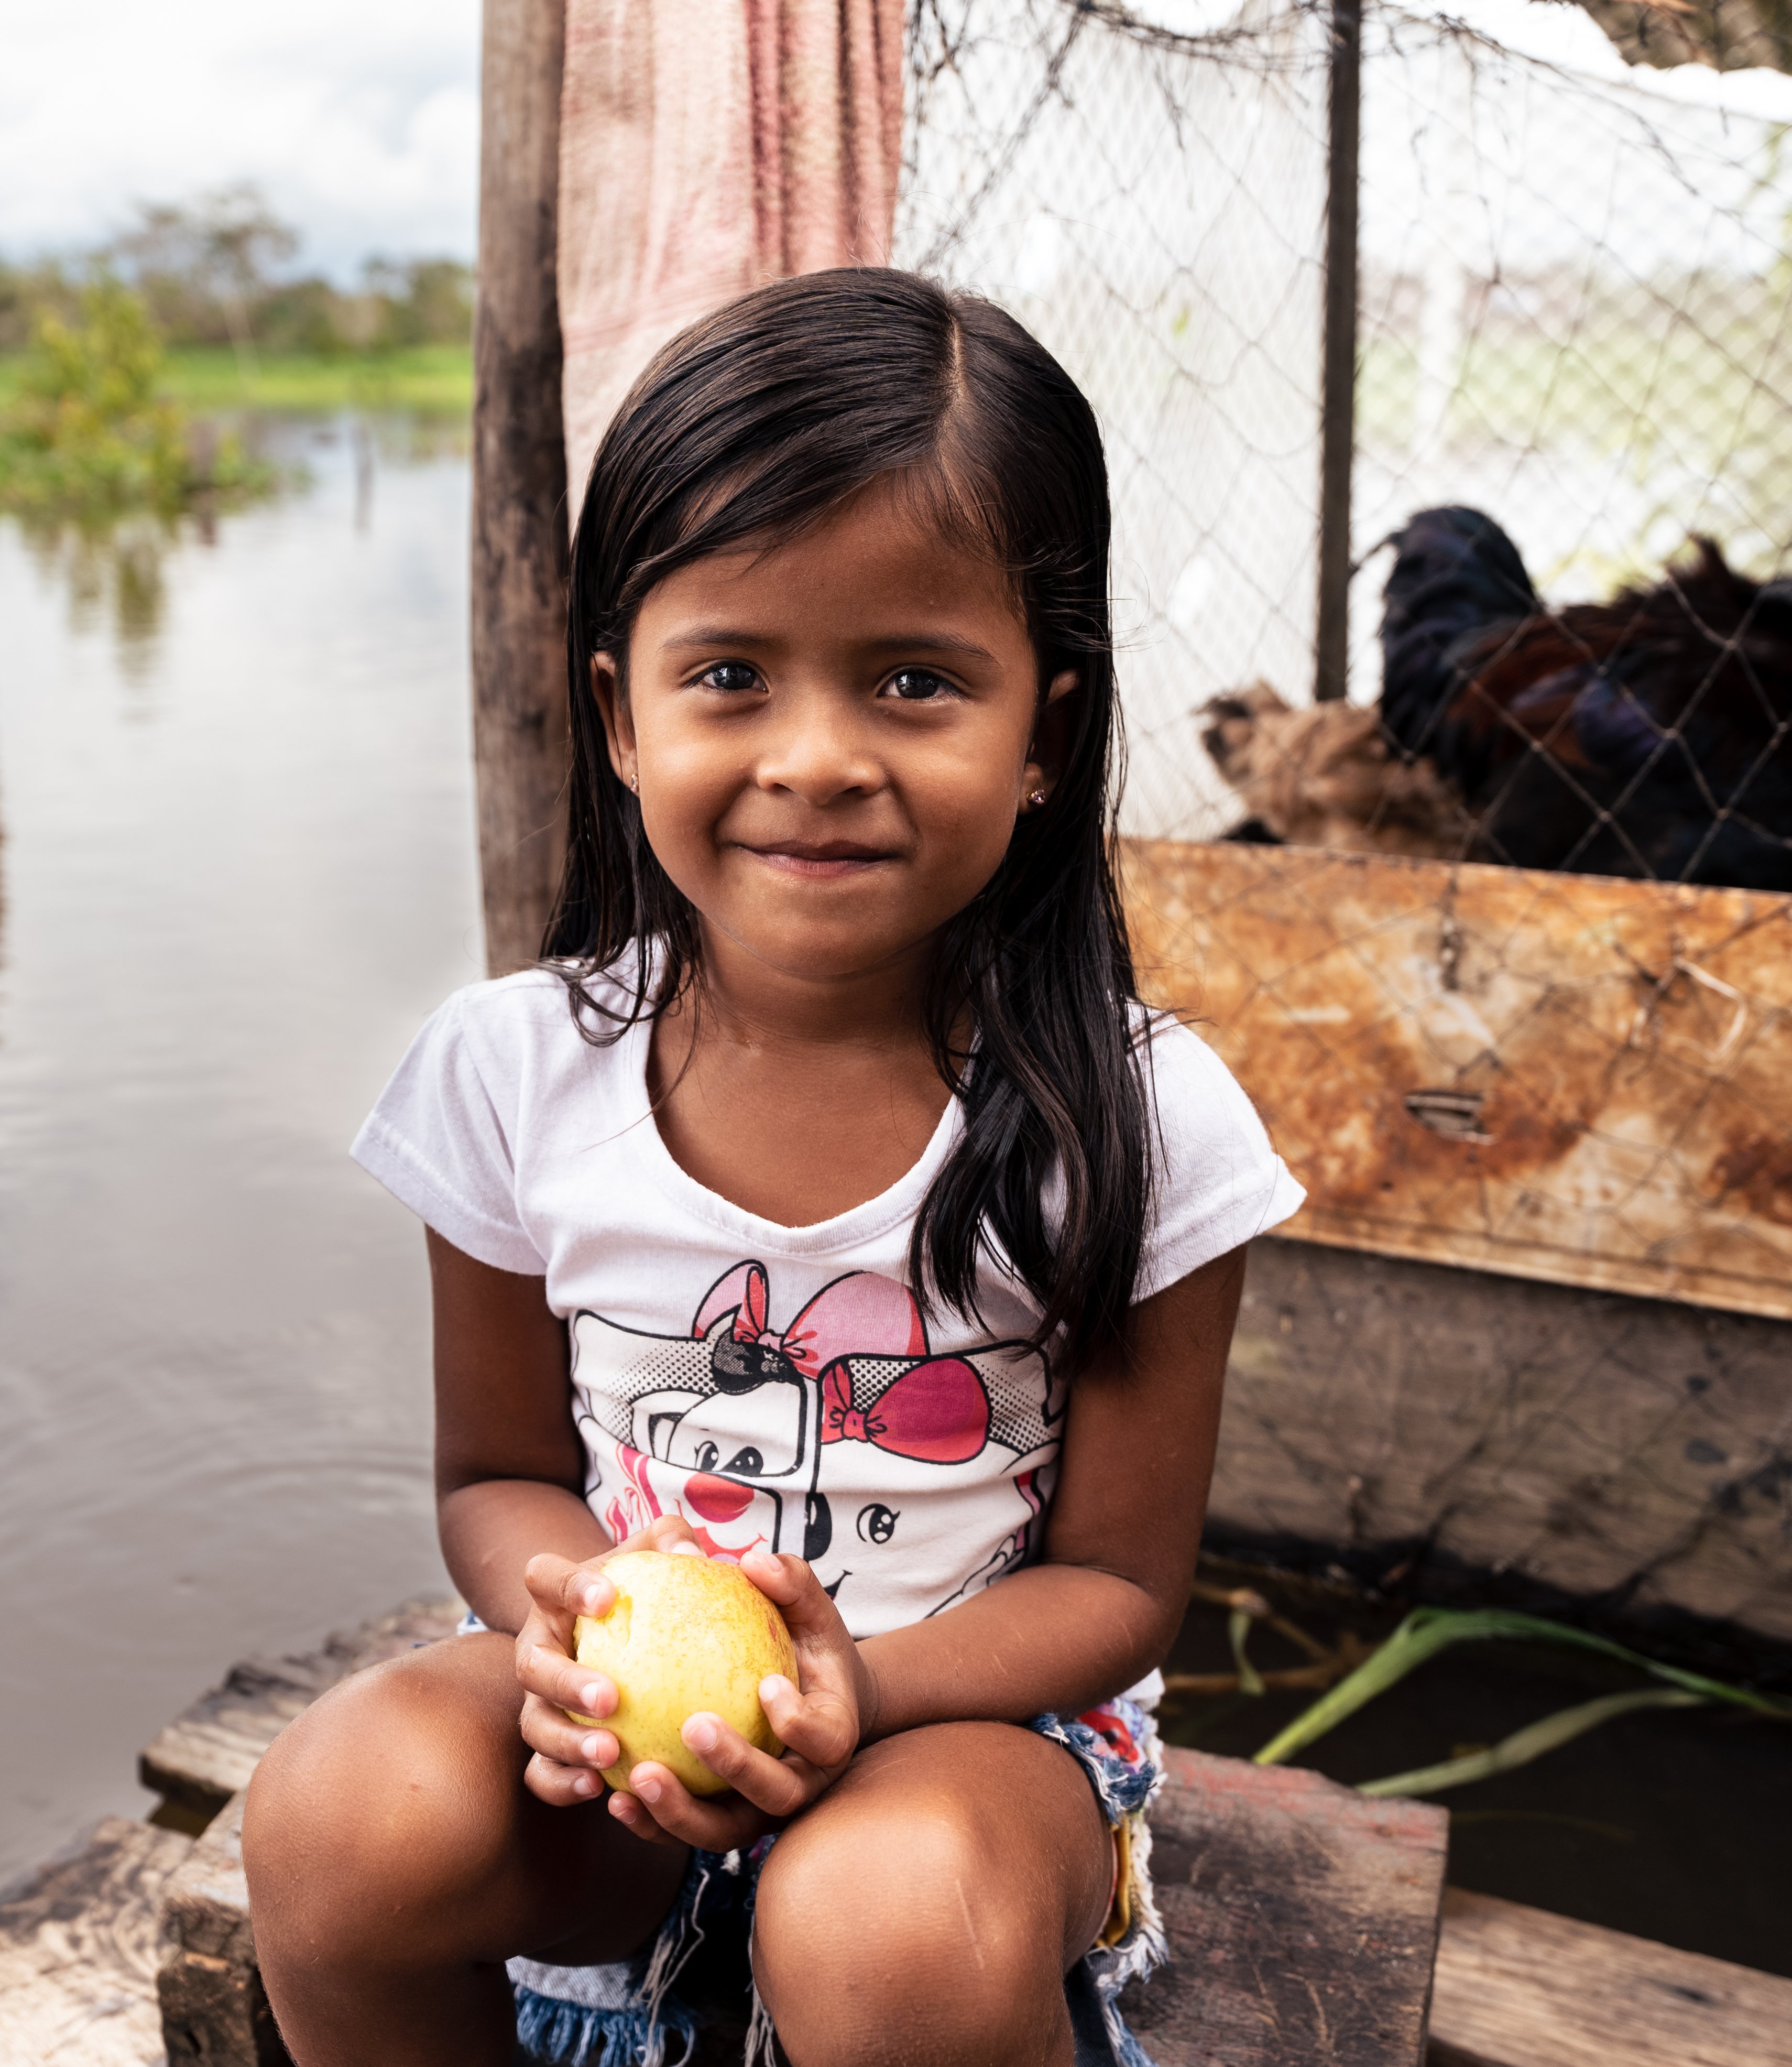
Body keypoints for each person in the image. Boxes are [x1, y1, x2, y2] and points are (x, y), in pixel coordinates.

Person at [245, 267, 1303, 2067]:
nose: (818, 762)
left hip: (970, 1747)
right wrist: (568, 1629)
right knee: (337, 1818)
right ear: (621, 716)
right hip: (616, 1758)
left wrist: (858, 1691)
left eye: (913, 680)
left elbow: (1118, 1592)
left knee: (879, 1933)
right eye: (730, 675)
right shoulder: (515, 1076)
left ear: (1044, 733)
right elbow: (501, 1473)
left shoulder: (1141, 1120)